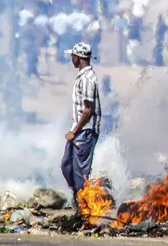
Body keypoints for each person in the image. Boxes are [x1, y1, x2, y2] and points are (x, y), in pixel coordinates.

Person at [61, 42, 102, 215]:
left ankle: (85, 211)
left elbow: (88, 111)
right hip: (79, 130)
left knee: (80, 174)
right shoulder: (83, 76)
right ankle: (78, 200)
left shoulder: (87, 79)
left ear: (77, 58)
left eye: (73, 56)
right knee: (67, 166)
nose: (72, 59)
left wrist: (74, 131)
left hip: (84, 132)